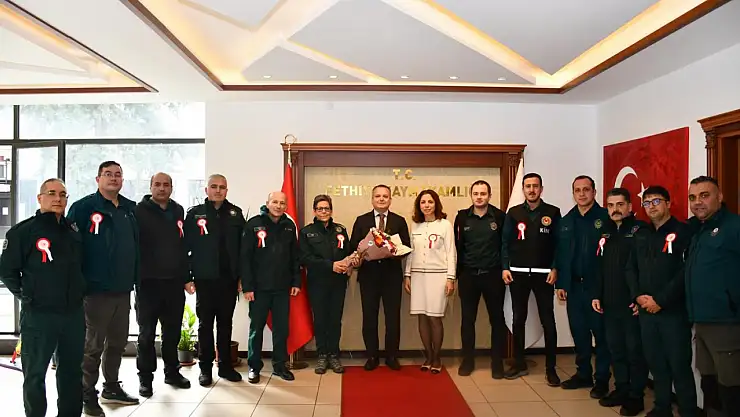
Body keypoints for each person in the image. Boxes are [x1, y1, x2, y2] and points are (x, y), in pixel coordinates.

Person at [0, 179, 85, 417]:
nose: (58, 199)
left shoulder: (73, 231)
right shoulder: (23, 232)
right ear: (40, 198)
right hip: (39, 315)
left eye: (63, 194)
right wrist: (27, 296)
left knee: (71, 372)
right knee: (35, 373)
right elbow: (7, 271)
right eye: (52, 193)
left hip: (72, 314)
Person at [67, 161, 140, 416]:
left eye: (118, 174)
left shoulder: (130, 209)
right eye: (108, 174)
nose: (113, 178)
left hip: (123, 288)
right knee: (93, 346)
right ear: (98, 179)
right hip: (95, 291)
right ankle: (87, 393)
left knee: (118, 343)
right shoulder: (83, 208)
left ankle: (111, 387)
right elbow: (71, 248)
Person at [626, 185, 697, 417]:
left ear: (668, 203)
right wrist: (637, 296)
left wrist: (661, 300)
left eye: (656, 201)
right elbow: (631, 268)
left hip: (673, 312)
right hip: (646, 311)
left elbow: (686, 271)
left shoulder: (683, 231)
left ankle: (688, 410)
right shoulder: (642, 234)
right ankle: (661, 408)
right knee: (656, 364)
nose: (651, 206)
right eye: (647, 203)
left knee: (679, 366)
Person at [685, 176, 740, 416]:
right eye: (692, 197)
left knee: (731, 387)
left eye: (704, 195)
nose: (698, 202)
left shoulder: (734, 227)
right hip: (701, 321)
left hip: (727, 324)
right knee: (709, 384)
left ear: (720, 197)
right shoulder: (699, 230)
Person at [591, 188, 648, 416]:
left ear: (630, 207)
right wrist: (596, 294)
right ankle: (621, 389)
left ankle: (636, 396)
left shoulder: (640, 231)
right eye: (611, 205)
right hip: (609, 302)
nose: (615, 209)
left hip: (631, 304)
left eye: (620, 204)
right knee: (616, 350)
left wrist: (639, 296)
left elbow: (645, 268)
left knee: (634, 352)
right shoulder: (604, 232)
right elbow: (598, 266)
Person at [184, 174, 244, 386]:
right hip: (205, 278)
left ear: (227, 190)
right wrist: (187, 277)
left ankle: (225, 366)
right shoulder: (194, 214)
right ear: (206, 189)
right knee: (205, 325)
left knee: (225, 324)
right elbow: (185, 248)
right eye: (214, 186)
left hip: (228, 279)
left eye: (222, 187)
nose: (218, 190)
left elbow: (243, 250)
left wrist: (242, 277)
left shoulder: (236, 214)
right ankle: (205, 368)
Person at [501, 173, 561, 386]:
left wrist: (555, 267)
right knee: (518, 319)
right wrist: (505, 267)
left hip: (544, 275)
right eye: (528, 186)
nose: (532, 190)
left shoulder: (553, 212)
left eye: (535, 186)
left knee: (548, 320)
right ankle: (519, 363)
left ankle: (551, 369)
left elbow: (559, 244)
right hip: (517, 274)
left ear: (541, 189)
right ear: (523, 189)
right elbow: (505, 243)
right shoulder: (514, 213)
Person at [134, 173, 190, 397]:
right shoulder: (138, 212)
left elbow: (182, 246)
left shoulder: (178, 211)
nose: (162, 188)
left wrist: (186, 277)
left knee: (172, 333)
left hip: (173, 284)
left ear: (171, 188)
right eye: (157, 184)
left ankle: (172, 372)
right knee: (146, 334)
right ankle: (145, 379)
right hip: (148, 283)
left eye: (166, 185)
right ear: (150, 187)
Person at [555, 175, 611, 398]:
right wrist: (561, 283)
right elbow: (561, 254)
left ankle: (603, 379)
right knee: (579, 333)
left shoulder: (605, 217)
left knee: (601, 335)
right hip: (574, 287)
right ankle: (583, 373)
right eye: (577, 190)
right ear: (573, 194)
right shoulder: (567, 220)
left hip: (598, 288)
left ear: (594, 192)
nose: (582, 194)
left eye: (586, 189)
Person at [349, 184, 411, 371]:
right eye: (378, 196)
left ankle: (392, 356)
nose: (381, 199)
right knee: (369, 317)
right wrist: (360, 256)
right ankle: (372, 356)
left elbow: (406, 247)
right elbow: (354, 246)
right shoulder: (362, 220)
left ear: (390, 199)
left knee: (393, 318)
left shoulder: (399, 221)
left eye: (385, 196)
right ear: (372, 199)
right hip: (368, 277)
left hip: (391, 276)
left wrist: (392, 250)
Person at [242, 191, 301, 383]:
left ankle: (280, 365)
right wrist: (247, 287)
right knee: (256, 329)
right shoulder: (253, 224)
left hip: (282, 288)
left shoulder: (289, 226)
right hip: (258, 289)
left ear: (286, 206)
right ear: (267, 203)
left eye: (282, 203)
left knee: (281, 329)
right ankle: (254, 366)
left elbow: (294, 257)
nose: (278, 206)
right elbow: (245, 258)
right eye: (275, 202)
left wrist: (296, 281)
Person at [453, 180, 507, 378]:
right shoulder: (461, 217)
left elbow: (505, 245)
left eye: (483, 193)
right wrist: (457, 273)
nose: (479, 197)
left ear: (489, 196)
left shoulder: (499, 217)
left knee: (497, 320)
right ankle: (468, 361)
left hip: (493, 275)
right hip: (468, 276)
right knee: (468, 320)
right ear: (471, 195)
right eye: (476, 193)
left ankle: (497, 363)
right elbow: (457, 246)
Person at [403, 190, 456, 373]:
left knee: (434, 317)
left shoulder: (445, 225)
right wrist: (407, 275)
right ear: (419, 205)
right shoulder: (415, 226)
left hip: (438, 276)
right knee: (422, 317)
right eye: (423, 202)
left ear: (436, 204)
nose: (426, 205)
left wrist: (450, 278)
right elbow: (411, 253)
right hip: (418, 276)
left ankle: (437, 357)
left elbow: (451, 252)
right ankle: (428, 355)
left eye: (430, 202)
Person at [298, 194, 352, 374]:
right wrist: (331, 266)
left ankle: (334, 355)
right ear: (314, 211)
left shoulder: (340, 230)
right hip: (318, 283)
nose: (323, 211)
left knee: (335, 320)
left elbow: (348, 252)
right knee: (320, 319)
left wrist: (350, 263)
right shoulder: (306, 232)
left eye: (327, 208)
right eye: (320, 208)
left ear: (331, 210)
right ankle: (322, 355)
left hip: (338, 283)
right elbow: (305, 258)